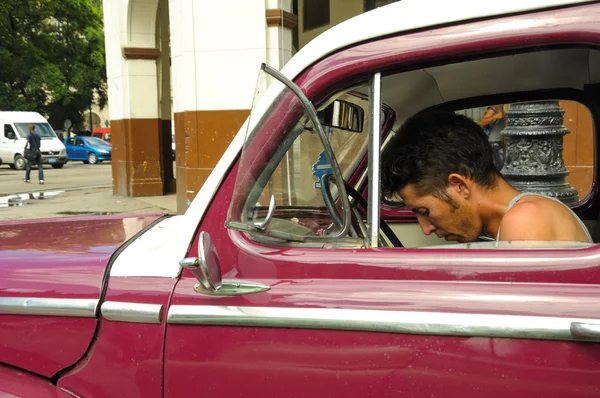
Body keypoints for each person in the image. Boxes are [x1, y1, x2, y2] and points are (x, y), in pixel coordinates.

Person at [380, 112, 592, 243]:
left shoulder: (526, 219)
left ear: (460, 185)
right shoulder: (516, 219)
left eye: (425, 211)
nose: (426, 228)